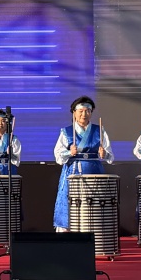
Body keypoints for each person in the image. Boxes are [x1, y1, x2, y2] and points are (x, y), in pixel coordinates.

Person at [53, 96, 114, 232]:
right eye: (80, 111)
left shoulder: (99, 131)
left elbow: (110, 155)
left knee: (94, 205)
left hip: (94, 172)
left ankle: (94, 235)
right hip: (73, 172)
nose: (84, 114)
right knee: (70, 203)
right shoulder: (66, 132)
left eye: (87, 111)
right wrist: (69, 152)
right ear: (74, 113)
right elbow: (58, 156)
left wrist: (104, 154)